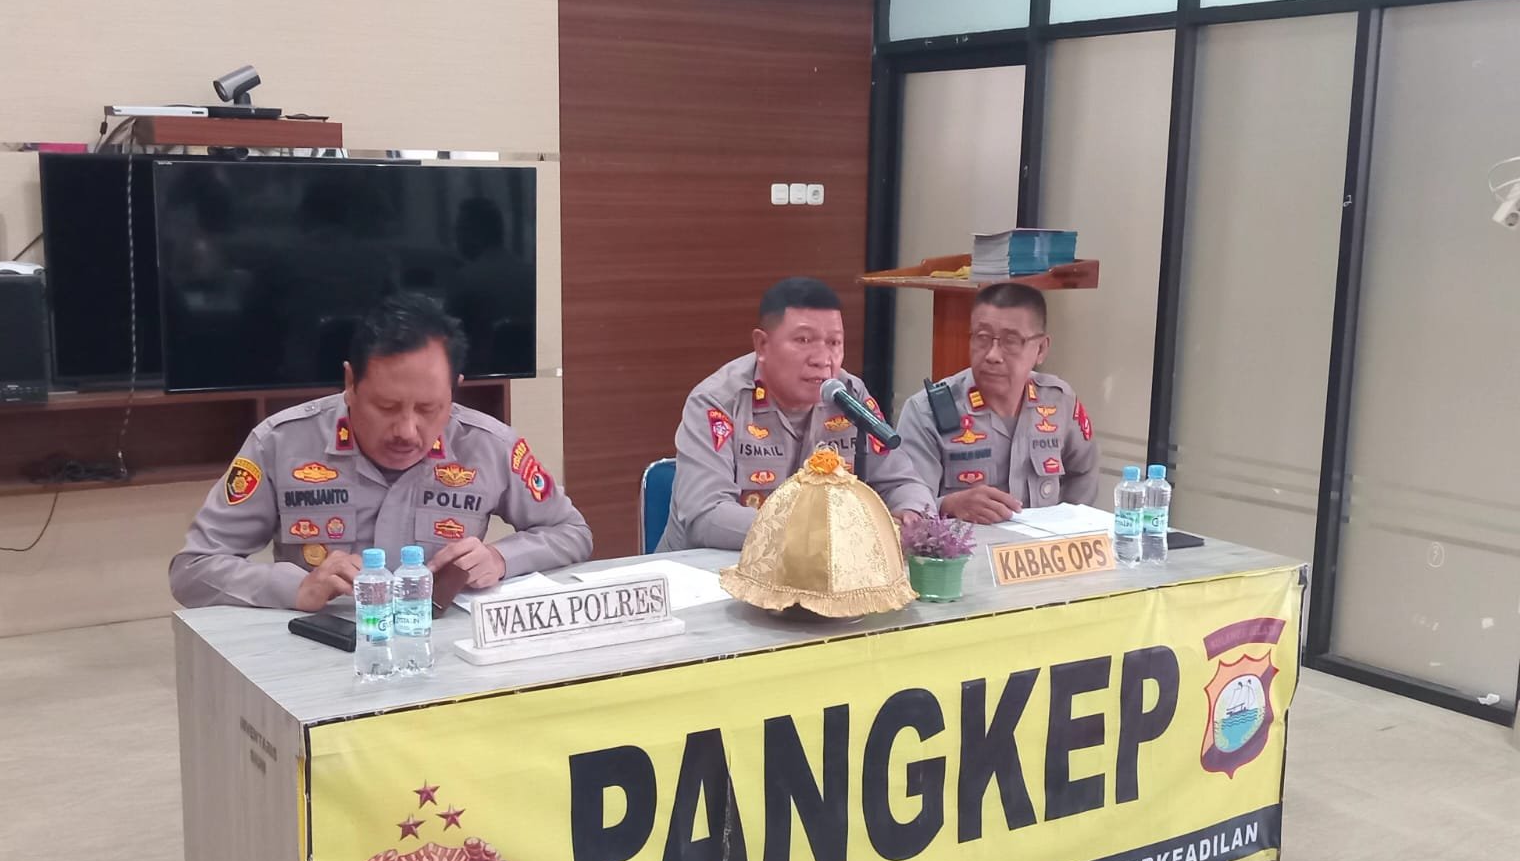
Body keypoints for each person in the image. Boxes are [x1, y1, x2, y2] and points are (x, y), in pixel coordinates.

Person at [170, 294, 591, 613]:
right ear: (350, 383)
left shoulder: (489, 445)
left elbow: (571, 532)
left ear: (454, 390)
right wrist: (295, 588)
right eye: (386, 407)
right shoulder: (280, 442)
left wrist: (500, 558)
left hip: (443, 654)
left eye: (429, 409)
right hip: (322, 651)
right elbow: (192, 570)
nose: (407, 431)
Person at [658, 276, 932, 551]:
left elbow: (903, 482)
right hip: (711, 569)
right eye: (803, 340)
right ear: (762, 345)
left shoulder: (850, 397)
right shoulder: (718, 401)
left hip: (821, 568)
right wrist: (816, 534)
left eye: (834, 342)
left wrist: (911, 513)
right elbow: (706, 518)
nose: (822, 359)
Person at [895, 282, 1099, 523]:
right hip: (964, 546)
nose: (992, 355)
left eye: (1010, 341)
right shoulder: (927, 412)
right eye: (982, 338)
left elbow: (1083, 473)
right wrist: (949, 506)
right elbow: (907, 506)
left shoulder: (1059, 401)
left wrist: (1066, 530)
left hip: (1042, 545)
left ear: (1041, 349)